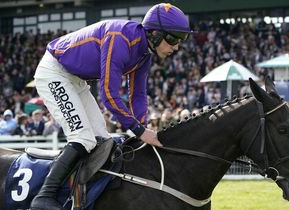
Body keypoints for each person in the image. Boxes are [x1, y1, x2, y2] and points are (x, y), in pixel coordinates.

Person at [30, 3, 190, 210]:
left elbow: (138, 95)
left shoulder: (144, 55)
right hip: (54, 72)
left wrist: (142, 128)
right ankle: (43, 197)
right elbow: (108, 95)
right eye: (173, 38)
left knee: (102, 141)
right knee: (82, 137)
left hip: (76, 80)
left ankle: (81, 196)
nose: (176, 46)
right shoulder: (120, 37)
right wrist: (139, 131)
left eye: (181, 40)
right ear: (155, 34)